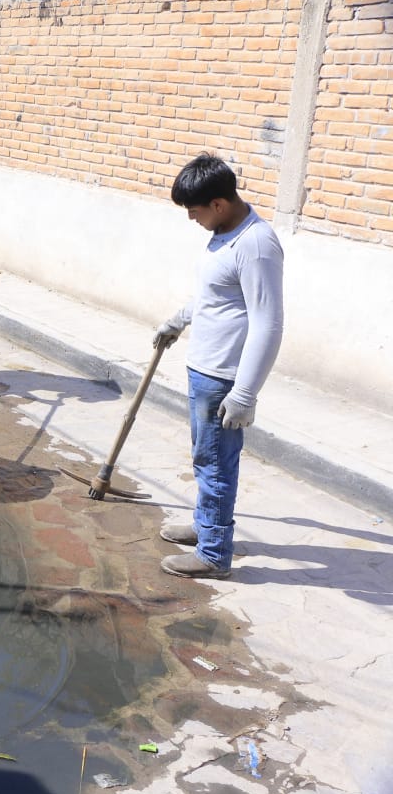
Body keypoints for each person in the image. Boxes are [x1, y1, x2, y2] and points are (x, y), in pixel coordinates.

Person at [152, 153, 285, 579]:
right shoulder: (224, 233)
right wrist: (179, 320)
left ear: (219, 205)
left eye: (194, 212)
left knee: (215, 463)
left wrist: (245, 393)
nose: (191, 220)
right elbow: (214, 294)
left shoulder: (256, 244)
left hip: (224, 377)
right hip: (203, 368)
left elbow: (268, 322)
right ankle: (205, 525)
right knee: (205, 458)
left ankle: (213, 553)